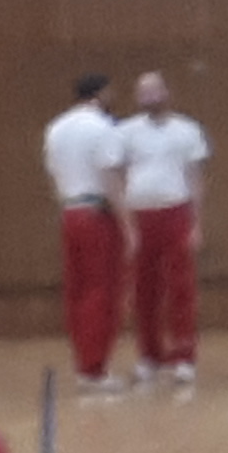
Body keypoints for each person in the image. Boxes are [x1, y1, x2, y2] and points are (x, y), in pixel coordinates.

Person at [116, 70, 211, 391]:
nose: (150, 97)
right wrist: (127, 226)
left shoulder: (188, 130)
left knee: (181, 288)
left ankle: (183, 357)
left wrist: (196, 223)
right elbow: (118, 177)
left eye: (155, 91)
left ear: (167, 92)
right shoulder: (126, 132)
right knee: (144, 290)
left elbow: (195, 178)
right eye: (143, 92)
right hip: (141, 215)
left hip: (176, 212)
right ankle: (149, 356)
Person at [44, 73, 131, 394]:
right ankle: (96, 369)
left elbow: (54, 174)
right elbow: (110, 178)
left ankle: (84, 363)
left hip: (70, 211)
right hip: (98, 214)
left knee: (77, 291)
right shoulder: (104, 128)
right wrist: (127, 224)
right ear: (101, 93)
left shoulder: (55, 128)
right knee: (101, 291)